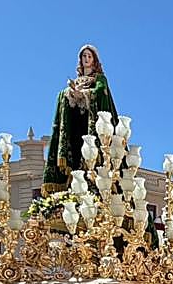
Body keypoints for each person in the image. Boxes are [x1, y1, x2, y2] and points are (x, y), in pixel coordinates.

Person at [44, 44, 118, 191]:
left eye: (89, 56)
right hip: (76, 124)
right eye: (84, 56)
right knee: (76, 152)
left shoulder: (100, 78)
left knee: (91, 154)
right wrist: (70, 93)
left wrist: (83, 94)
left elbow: (100, 92)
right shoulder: (77, 81)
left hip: (91, 124)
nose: (86, 58)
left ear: (94, 60)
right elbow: (64, 97)